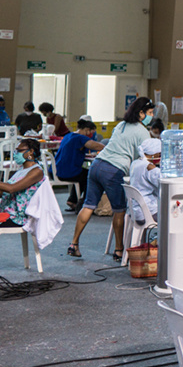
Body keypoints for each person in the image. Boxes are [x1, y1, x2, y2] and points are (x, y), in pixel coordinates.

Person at [67, 97, 155, 259]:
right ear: (141, 113)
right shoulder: (143, 132)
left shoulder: (121, 125)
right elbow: (145, 157)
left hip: (97, 165)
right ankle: (119, 249)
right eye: (150, 113)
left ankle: (74, 244)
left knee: (88, 205)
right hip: (114, 170)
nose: (152, 116)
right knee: (119, 210)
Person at [55, 118, 105, 211]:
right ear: (87, 130)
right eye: (92, 132)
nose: (91, 135)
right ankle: (85, 204)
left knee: (83, 173)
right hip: (68, 173)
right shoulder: (80, 138)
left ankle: (72, 200)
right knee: (91, 176)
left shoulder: (68, 135)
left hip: (58, 170)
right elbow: (97, 146)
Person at [0, 138, 46, 227]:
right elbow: (5, 191)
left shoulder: (36, 171)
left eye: (19, 151)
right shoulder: (22, 170)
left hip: (17, 217)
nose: (15, 154)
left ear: (31, 152)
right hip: (6, 211)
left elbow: (11, 189)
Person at [129, 138, 161, 224]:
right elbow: (163, 182)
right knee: (174, 216)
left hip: (135, 210)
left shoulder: (135, 163)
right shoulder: (149, 167)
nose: (160, 157)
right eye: (159, 154)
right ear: (153, 153)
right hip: (147, 212)